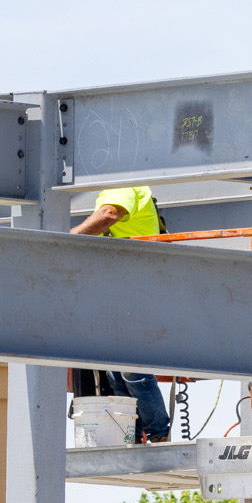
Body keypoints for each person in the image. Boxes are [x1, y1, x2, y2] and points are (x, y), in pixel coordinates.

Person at [69, 186, 172, 442]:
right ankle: (134, 435)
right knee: (115, 370)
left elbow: (109, 214)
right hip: (125, 287)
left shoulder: (122, 185)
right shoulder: (119, 188)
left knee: (131, 369)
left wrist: (66, 241)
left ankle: (158, 432)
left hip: (137, 286)